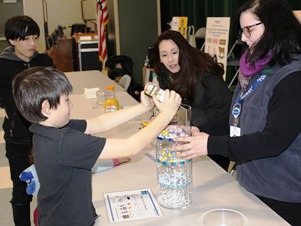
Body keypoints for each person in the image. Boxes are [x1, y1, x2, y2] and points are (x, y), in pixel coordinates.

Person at [172, 0, 301, 225]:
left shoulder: (293, 77)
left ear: (275, 25)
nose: (243, 38)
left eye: (249, 29)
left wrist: (210, 145)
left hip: (283, 198)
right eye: (241, 31)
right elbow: (237, 122)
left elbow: (273, 141)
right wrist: (200, 131)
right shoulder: (256, 70)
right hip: (251, 186)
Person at [12, 66, 181, 226]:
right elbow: (132, 146)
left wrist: (143, 107)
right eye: (66, 100)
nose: (71, 104)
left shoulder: (45, 129)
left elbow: (99, 123)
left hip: (56, 216)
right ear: (46, 107)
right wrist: (167, 114)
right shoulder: (64, 142)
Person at [152, 30, 232, 171]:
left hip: (212, 146)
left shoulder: (206, 74)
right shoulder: (164, 74)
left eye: (174, 53)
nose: (170, 59)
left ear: (184, 51)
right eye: (164, 55)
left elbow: (222, 115)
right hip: (184, 141)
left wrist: (178, 115)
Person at [0, 15, 54, 226]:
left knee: (51, 187)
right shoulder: (2, 66)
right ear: (12, 40)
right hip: (19, 139)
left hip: (47, 135)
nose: (32, 44)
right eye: (26, 39)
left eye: (35, 37)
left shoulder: (44, 62)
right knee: (21, 192)